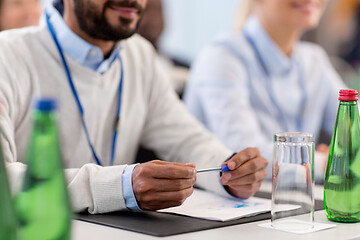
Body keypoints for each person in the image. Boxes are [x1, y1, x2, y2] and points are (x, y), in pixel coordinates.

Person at [0, 0, 268, 214]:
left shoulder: (138, 55)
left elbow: (189, 141)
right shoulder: (8, 56)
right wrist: (120, 186)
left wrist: (230, 173)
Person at [183, 0, 346, 179]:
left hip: (293, 199)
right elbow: (245, 155)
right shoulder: (222, 57)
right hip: (228, 201)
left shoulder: (314, 59)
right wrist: (329, 162)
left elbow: (354, 123)